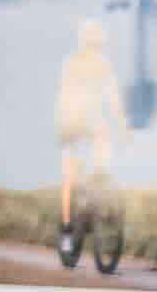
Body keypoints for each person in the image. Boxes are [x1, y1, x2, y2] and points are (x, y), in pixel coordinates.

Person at [55, 15, 128, 260]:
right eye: (90, 40)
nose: (94, 45)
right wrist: (70, 123)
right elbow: (66, 94)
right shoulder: (71, 63)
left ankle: (98, 205)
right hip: (72, 123)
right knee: (70, 176)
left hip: (95, 125)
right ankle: (67, 230)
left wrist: (122, 124)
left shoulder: (104, 65)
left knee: (102, 164)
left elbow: (114, 95)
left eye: (96, 41)